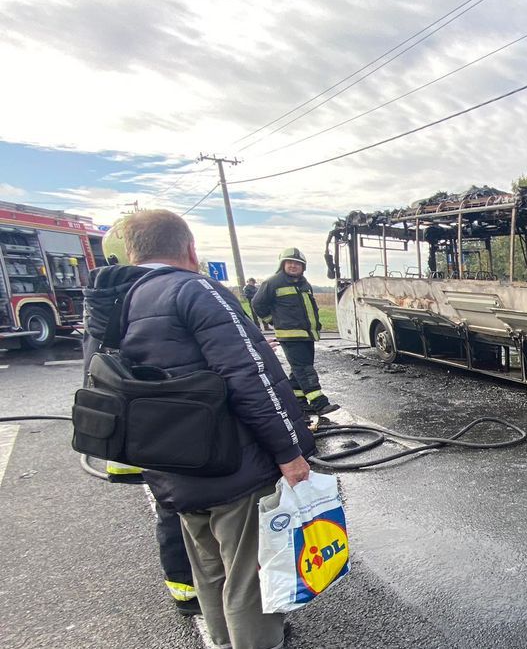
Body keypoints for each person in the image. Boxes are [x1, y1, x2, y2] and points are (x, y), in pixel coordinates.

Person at [117, 209, 316, 649]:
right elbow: (251, 376)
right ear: (190, 249)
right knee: (249, 573)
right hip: (231, 464)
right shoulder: (195, 290)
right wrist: (291, 450)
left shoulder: (114, 299)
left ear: (133, 252)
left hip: (167, 463)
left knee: (209, 567)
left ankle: (222, 640)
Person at [81, 218, 199, 617]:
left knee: (172, 507)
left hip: (137, 431)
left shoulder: (105, 299)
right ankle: (195, 589)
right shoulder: (167, 295)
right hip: (177, 425)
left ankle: (186, 587)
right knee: (184, 509)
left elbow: (95, 368)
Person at [253, 248, 339, 415]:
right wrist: (274, 321)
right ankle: (319, 403)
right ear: (282, 264)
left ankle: (298, 401)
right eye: (289, 262)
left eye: (297, 263)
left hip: (307, 335)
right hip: (290, 336)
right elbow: (257, 305)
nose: (293, 266)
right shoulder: (272, 283)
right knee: (305, 369)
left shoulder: (305, 284)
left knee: (299, 369)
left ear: (303, 266)